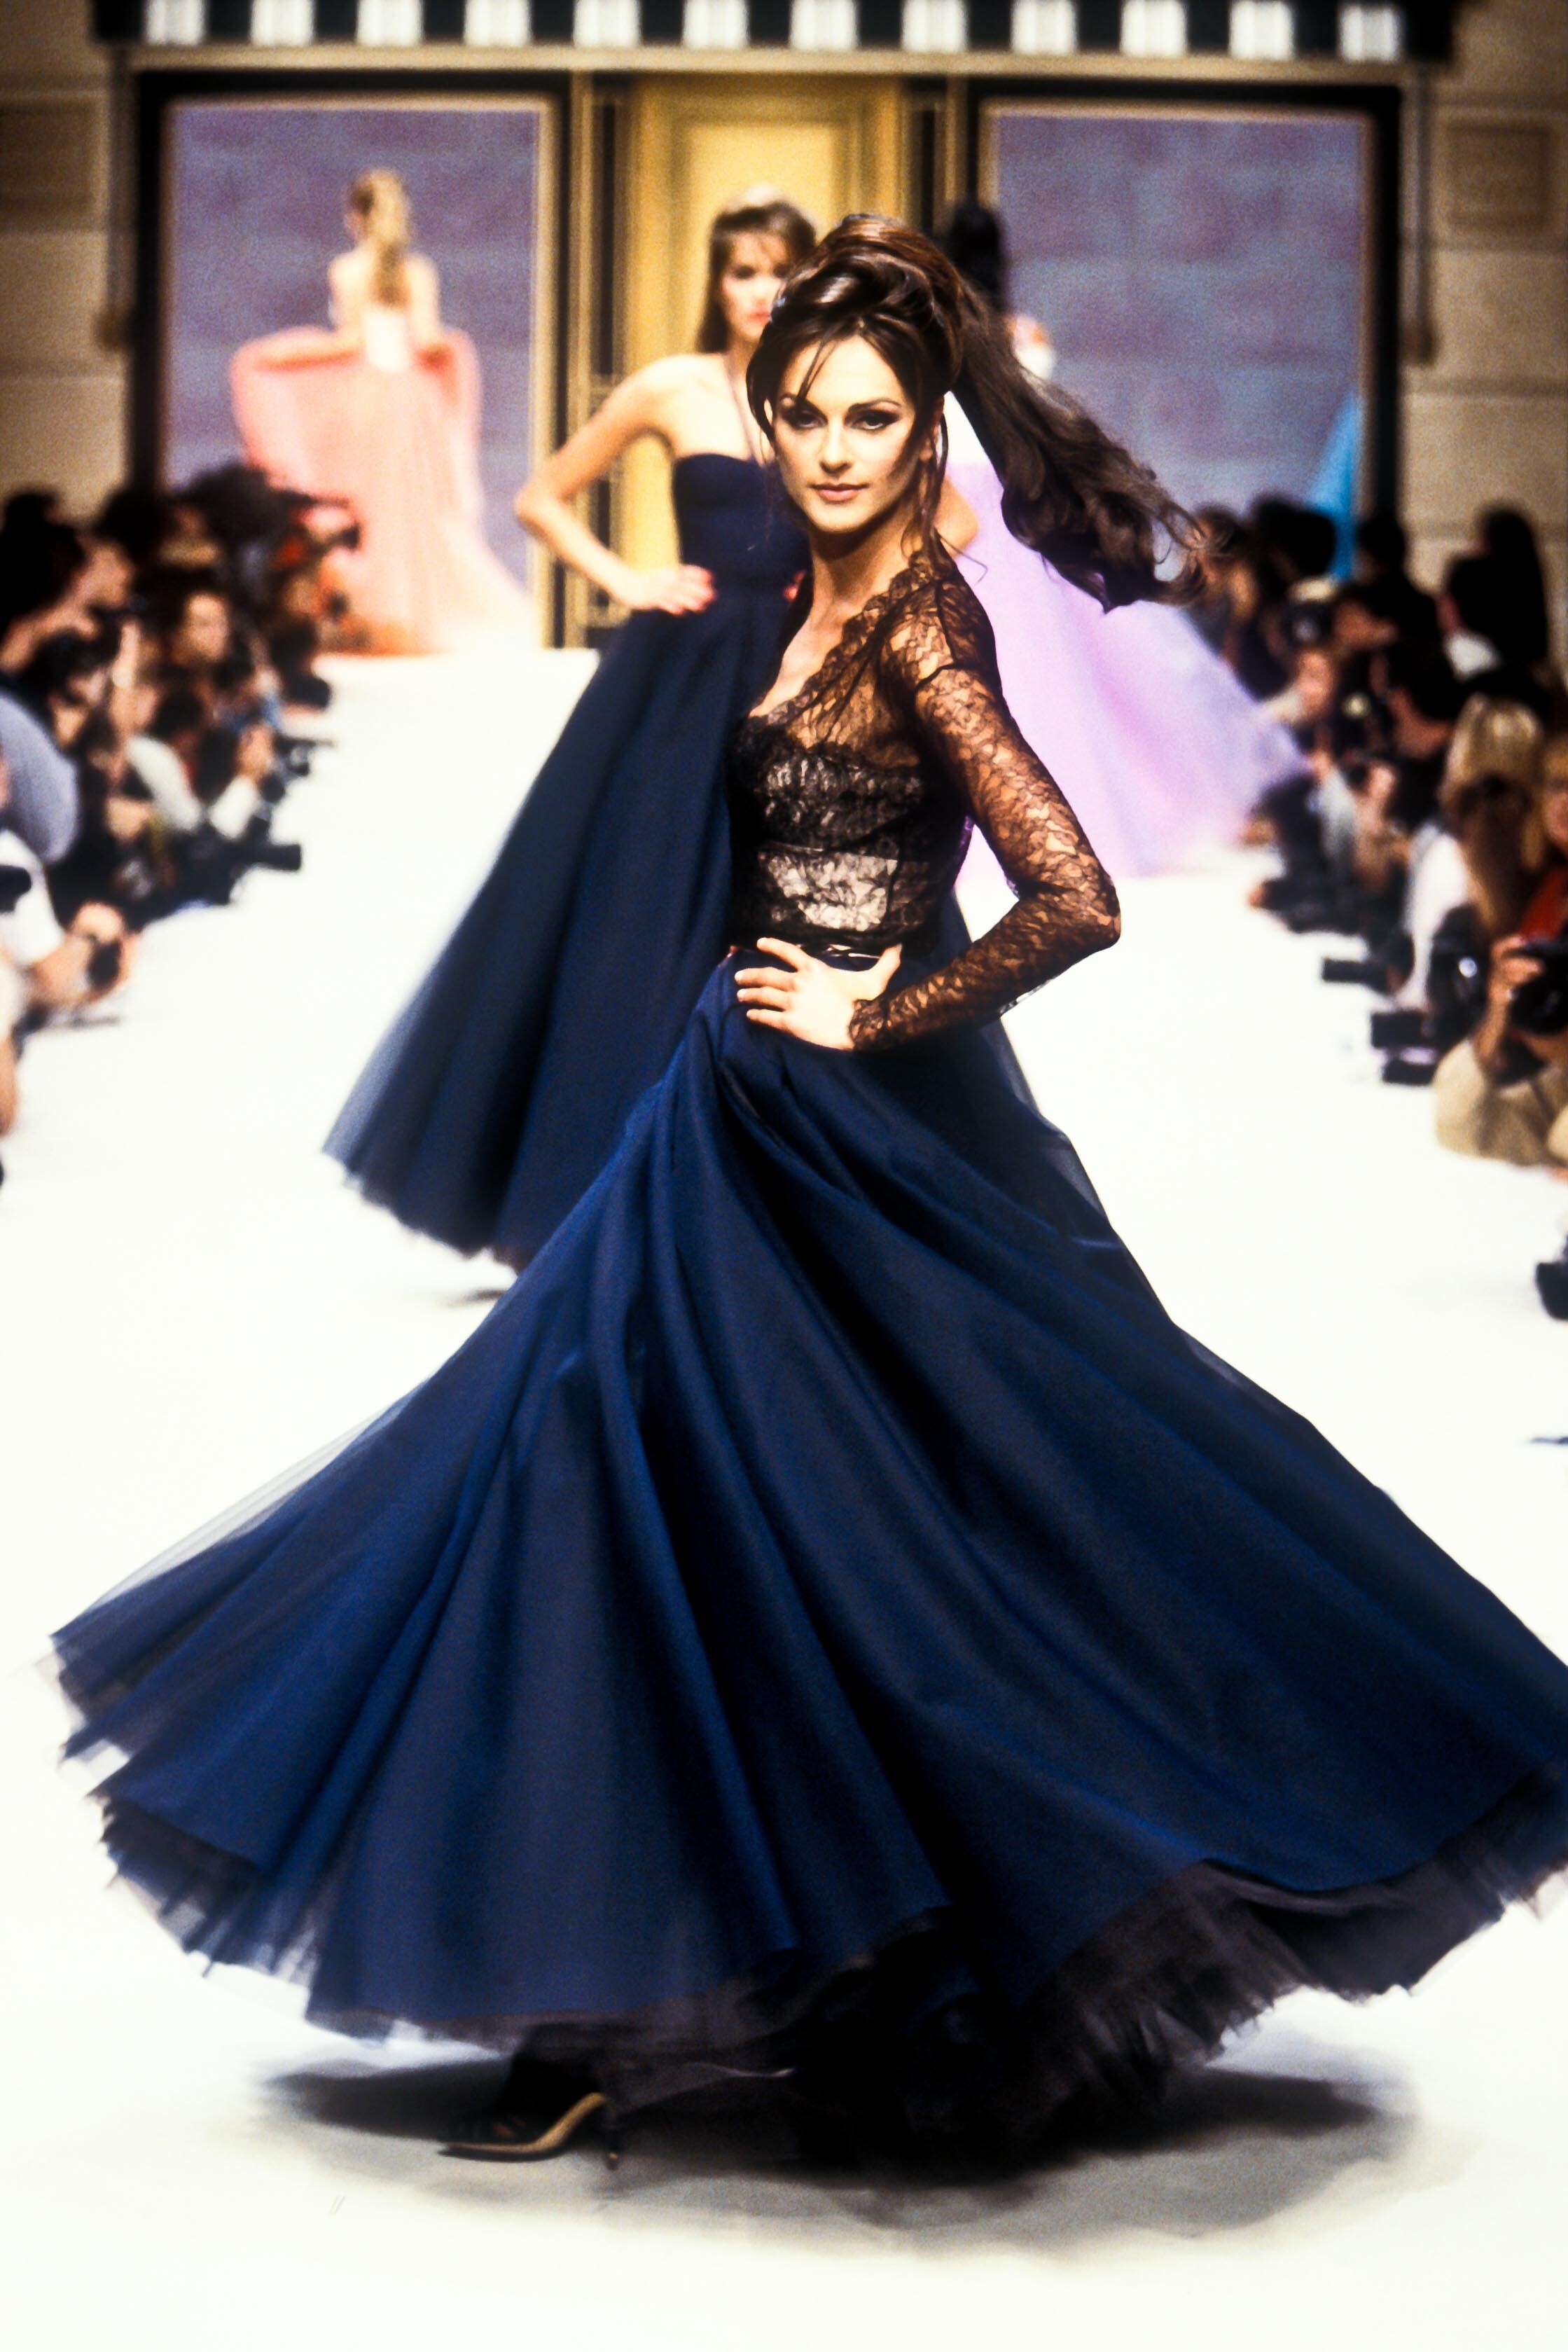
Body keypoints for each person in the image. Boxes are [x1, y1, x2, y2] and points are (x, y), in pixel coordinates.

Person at [55, 219, 1568, 2181]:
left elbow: (1071, 893)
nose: (838, 446)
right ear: (765, 420)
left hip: (852, 1125)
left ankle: (851, 1943)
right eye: (809, 414)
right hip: (728, 1096)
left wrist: (881, 1004)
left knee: (888, 1519)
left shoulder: (920, 622)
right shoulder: (806, 595)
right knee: (611, 1472)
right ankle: (598, 1980)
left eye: (871, 417)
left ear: (921, 428)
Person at [325, 191, 821, 1266]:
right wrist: (627, 580)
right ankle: (585, 1193)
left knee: (777, 918)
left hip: (792, 671)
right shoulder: (671, 387)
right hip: (681, 675)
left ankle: (747, 1202)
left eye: (781, 270)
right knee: (637, 910)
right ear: (715, 282)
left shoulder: (827, 397)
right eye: (742, 270)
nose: (760, 291)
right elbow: (541, 496)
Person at [936, 217, 1299, 880]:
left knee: (979, 677)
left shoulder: (933, 341)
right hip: (1015, 525)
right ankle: (1059, 830)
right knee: (1044, 687)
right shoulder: (1023, 338)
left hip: (956, 514)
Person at [230, 170, 530, 653]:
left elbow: (352, 339)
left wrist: (287, 354)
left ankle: (371, 618)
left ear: (356, 217)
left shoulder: (349, 269)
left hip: (367, 397)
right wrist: (452, 351)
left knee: (370, 510)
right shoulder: (419, 271)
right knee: (410, 511)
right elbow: (426, 339)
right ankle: (405, 620)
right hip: (410, 400)